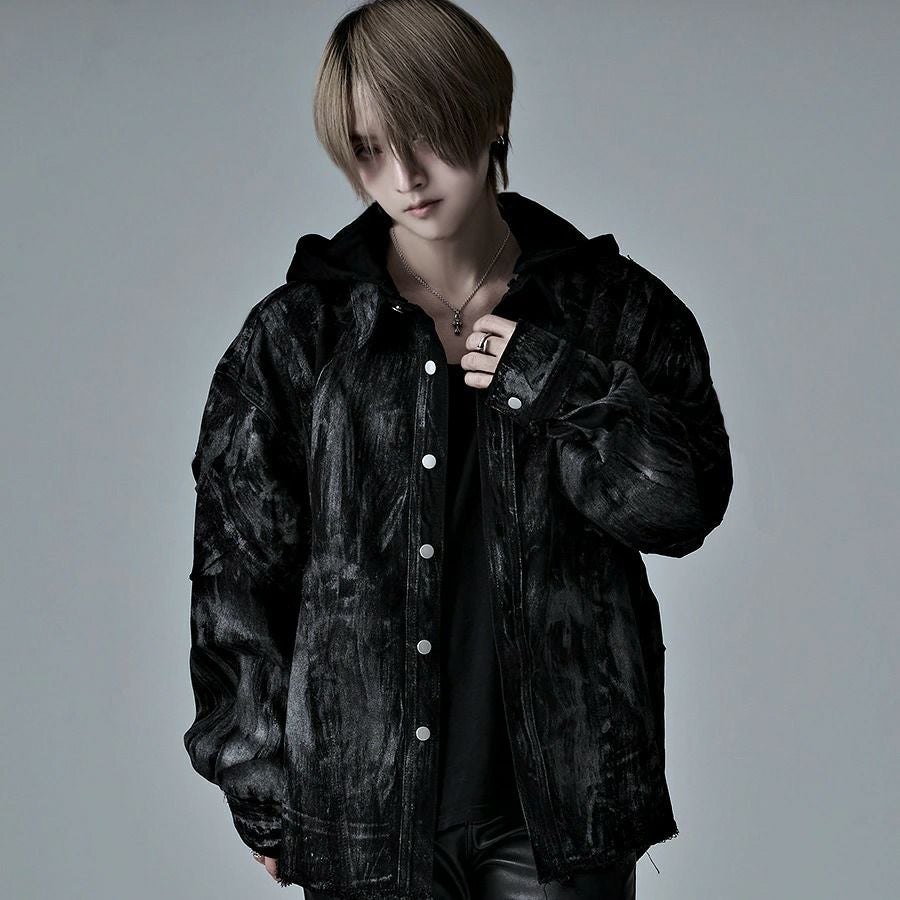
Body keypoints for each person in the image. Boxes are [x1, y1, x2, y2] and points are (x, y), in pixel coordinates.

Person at [182, 1, 733, 898]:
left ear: (489, 115)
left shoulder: (613, 310)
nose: (404, 176)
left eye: (427, 136)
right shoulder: (299, 338)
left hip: (563, 812)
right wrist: (262, 789)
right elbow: (236, 576)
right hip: (364, 815)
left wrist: (560, 385)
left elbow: (684, 510)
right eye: (369, 150)